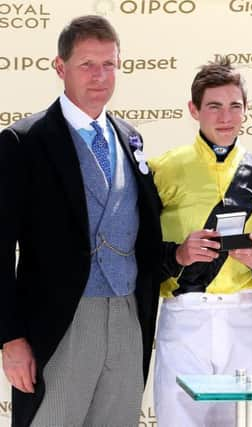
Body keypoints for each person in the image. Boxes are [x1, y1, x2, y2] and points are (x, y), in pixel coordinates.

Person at [0, 15, 163, 427]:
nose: (100, 76)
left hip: (128, 318)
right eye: (87, 64)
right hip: (60, 322)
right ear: (60, 67)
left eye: (109, 64)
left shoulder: (130, 137)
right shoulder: (24, 141)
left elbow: (141, 234)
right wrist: (10, 338)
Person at [149, 58, 252, 427]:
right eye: (214, 106)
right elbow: (137, 251)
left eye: (235, 106)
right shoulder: (161, 169)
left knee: (240, 421)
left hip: (241, 315)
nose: (226, 117)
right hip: (183, 316)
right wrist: (178, 253)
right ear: (194, 110)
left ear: (246, 110)